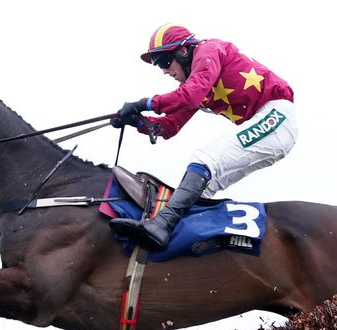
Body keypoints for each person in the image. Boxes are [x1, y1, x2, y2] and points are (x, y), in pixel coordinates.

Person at [110, 23, 297, 249]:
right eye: (159, 65)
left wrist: (144, 104)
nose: (164, 71)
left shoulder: (209, 50)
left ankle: (161, 225)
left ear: (184, 51)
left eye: (164, 62)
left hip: (275, 117)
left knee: (204, 158)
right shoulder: (197, 82)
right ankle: (185, 240)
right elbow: (169, 127)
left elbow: (188, 96)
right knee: (203, 187)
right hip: (267, 128)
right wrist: (137, 121)